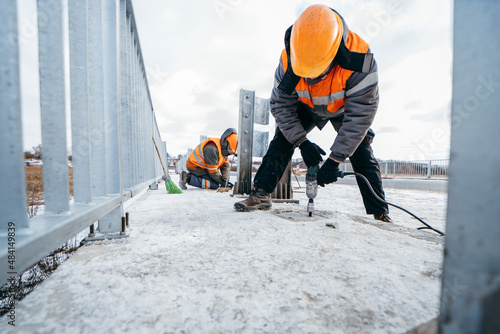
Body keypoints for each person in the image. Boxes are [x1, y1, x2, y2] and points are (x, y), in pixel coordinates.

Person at [234, 4, 391, 222]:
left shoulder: (360, 62)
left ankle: (380, 211)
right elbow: (281, 106)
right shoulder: (289, 60)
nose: (310, 78)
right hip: (306, 104)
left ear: (335, 54)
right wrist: (302, 143)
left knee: (362, 151)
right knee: (282, 139)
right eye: (304, 72)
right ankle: (260, 193)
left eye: (316, 72)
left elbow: (360, 116)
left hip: (342, 107)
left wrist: (335, 160)